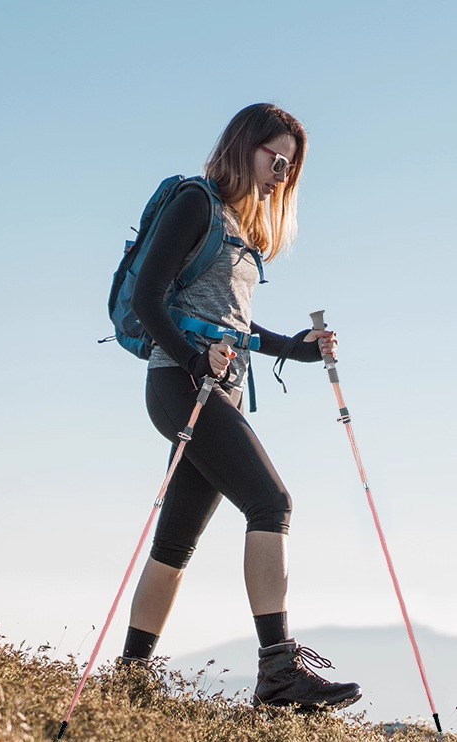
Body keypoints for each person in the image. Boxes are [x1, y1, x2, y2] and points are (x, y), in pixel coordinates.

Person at [119, 103, 361, 710]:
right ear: (243, 146)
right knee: (271, 501)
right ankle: (278, 672)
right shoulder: (195, 202)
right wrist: (193, 359)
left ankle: (129, 677)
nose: (281, 170)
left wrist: (294, 349)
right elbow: (149, 298)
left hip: (215, 388)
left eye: (290, 164)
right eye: (274, 156)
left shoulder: (241, 228)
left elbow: (233, 325)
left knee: (175, 541)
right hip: (179, 383)